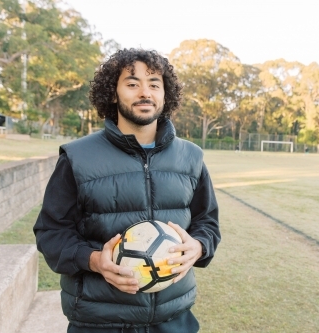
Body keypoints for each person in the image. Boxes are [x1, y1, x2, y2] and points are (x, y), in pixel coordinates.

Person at [33, 48, 221, 333]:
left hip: (174, 320)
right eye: (132, 83)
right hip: (99, 322)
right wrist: (94, 260)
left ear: (165, 93)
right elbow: (51, 233)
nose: (145, 92)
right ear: (112, 93)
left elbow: (207, 223)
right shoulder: (78, 157)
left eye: (154, 84)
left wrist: (199, 246)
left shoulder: (191, 157)